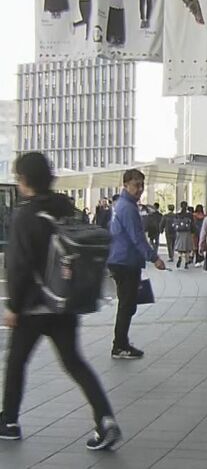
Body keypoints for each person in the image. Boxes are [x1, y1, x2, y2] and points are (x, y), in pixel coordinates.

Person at [0, 153, 122, 450]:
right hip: (65, 301)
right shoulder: (64, 207)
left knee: (16, 362)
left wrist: (13, 306)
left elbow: (19, 265)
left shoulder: (27, 214)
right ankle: (105, 419)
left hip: (33, 306)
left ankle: (9, 422)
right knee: (74, 362)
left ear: (25, 180)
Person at [107, 169, 166, 359]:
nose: (140, 189)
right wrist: (154, 257)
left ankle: (122, 342)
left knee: (127, 304)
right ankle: (119, 346)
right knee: (126, 304)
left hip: (119, 259)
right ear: (125, 185)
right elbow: (137, 238)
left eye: (142, 185)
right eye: (136, 185)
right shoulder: (128, 208)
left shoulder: (120, 205)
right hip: (125, 261)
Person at [173, 201, 195, 268]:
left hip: (179, 232)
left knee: (180, 247)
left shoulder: (177, 214)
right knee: (187, 249)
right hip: (187, 233)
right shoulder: (190, 215)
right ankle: (186, 263)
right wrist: (193, 232)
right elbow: (192, 224)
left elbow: (175, 224)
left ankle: (179, 257)